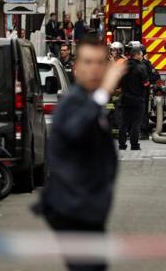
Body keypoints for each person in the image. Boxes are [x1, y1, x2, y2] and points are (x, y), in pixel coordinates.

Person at [36, 35, 126, 271]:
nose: (94, 68)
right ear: (75, 68)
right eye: (87, 62)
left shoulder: (88, 101)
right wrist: (103, 92)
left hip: (89, 206)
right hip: (72, 207)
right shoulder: (73, 102)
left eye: (99, 62)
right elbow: (77, 129)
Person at [117, 43, 149, 150]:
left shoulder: (123, 67)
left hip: (125, 99)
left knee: (124, 123)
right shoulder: (141, 67)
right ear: (136, 55)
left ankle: (122, 144)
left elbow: (118, 83)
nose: (142, 56)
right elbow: (146, 84)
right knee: (136, 123)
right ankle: (134, 145)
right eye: (140, 54)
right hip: (138, 100)